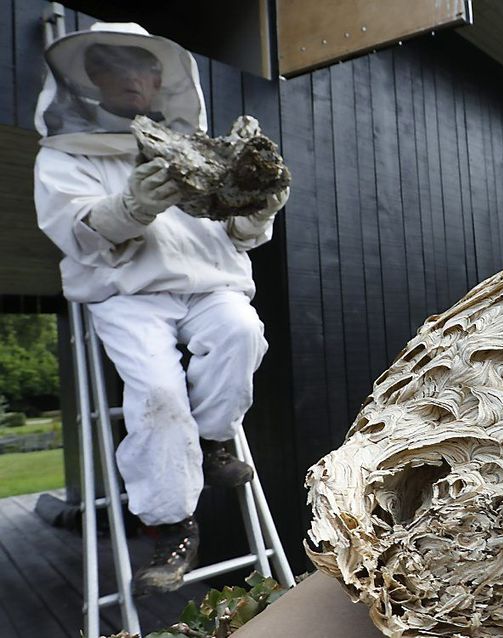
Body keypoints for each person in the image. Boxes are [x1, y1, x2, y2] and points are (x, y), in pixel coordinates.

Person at [33, 23, 288, 596]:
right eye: (113, 68)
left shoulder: (196, 144)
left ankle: (215, 438)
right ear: (91, 78)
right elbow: (75, 232)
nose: (131, 79)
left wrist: (258, 208)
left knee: (241, 330)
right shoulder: (67, 155)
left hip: (211, 284)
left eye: (141, 68)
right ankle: (173, 527)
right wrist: (128, 207)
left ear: (159, 78)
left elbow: (239, 233)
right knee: (157, 396)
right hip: (127, 294)